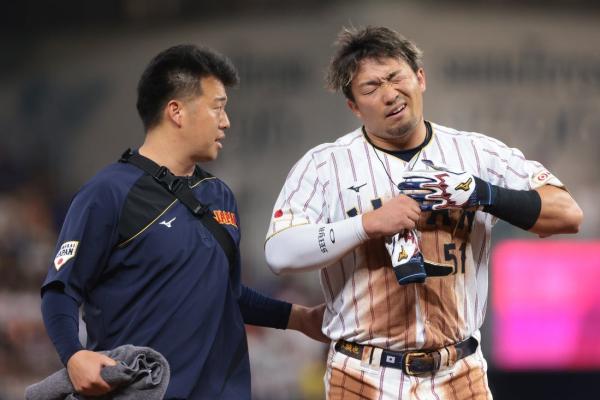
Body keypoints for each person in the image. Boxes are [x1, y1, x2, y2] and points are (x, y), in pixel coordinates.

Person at [264, 26, 583, 399]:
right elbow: (279, 253)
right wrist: (365, 225)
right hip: (363, 373)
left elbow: (568, 214)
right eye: (371, 88)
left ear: (420, 78)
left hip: (459, 372)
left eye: (395, 77)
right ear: (353, 107)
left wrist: (483, 193)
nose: (389, 94)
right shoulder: (324, 165)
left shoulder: (477, 153)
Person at [40, 44, 326, 400]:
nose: (226, 121)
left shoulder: (219, 195)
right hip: (143, 393)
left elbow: (228, 293)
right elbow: (61, 289)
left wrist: (299, 318)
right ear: (176, 111)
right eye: (217, 107)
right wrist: (73, 355)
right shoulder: (108, 192)